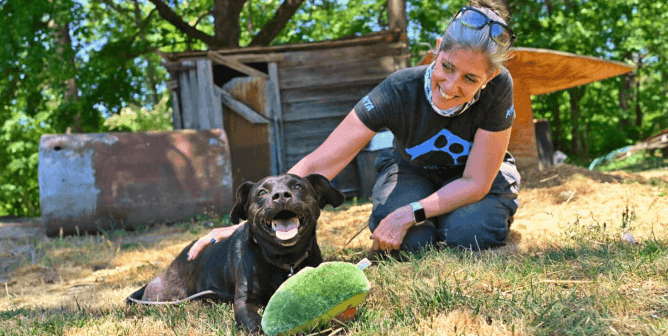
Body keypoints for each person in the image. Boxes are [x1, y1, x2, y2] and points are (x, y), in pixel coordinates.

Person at [187, 0, 520, 261]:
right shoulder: (398, 90)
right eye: (446, 67)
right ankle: (427, 220)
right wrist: (248, 220)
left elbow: (476, 181)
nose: (450, 85)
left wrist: (411, 212)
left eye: (470, 79)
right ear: (437, 48)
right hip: (413, 172)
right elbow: (322, 163)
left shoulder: (499, 87)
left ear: (488, 78)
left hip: (476, 179)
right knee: (414, 244)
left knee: (469, 235)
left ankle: (462, 218)